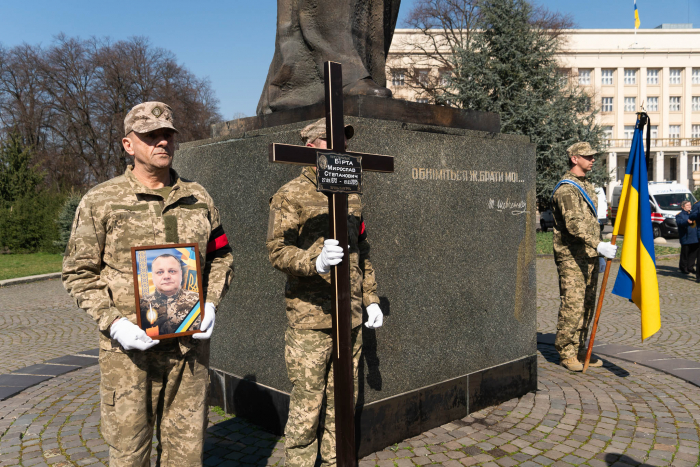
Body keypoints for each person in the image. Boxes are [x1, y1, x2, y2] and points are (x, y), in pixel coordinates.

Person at [62, 101, 234, 466]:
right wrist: (114, 322)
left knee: (186, 455)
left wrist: (212, 302)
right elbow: (78, 273)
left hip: (188, 353)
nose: (162, 143)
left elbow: (221, 256)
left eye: (167, 135)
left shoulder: (197, 198)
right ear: (129, 144)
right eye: (150, 136)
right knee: (129, 454)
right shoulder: (102, 201)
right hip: (129, 356)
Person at [266, 119, 384, 467]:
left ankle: (337, 461)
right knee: (307, 405)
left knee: (344, 401)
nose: (339, 148)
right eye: (328, 141)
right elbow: (276, 250)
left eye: (343, 142)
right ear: (309, 149)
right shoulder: (290, 194)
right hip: (310, 318)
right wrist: (313, 262)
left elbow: (361, 251)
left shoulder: (352, 194)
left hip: (350, 316)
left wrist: (371, 298)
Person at [551, 142, 617, 372]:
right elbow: (574, 224)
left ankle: (580, 348)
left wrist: (596, 250)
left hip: (588, 254)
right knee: (573, 304)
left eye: (593, 156)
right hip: (571, 257)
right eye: (587, 157)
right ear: (574, 159)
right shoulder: (566, 189)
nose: (592, 160)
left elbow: (591, 221)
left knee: (587, 304)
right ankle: (566, 352)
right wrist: (598, 244)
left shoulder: (586, 185)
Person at [139, 253, 202, 335]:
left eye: (172, 271)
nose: (166, 276)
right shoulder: (141, 305)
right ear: (153, 277)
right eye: (160, 272)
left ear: (181, 274)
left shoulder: (198, 301)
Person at [676, 200, 698, 275]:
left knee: (693, 254)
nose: (690, 206)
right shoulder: (680, 215)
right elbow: (679, 222)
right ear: (682, 207)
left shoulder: (694, 214)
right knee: (685, 254)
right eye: (687, 205)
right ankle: (683, 268)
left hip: (695, 237)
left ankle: (690, 267)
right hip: (686, 237)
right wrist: (687, 222)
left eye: (690, 205)